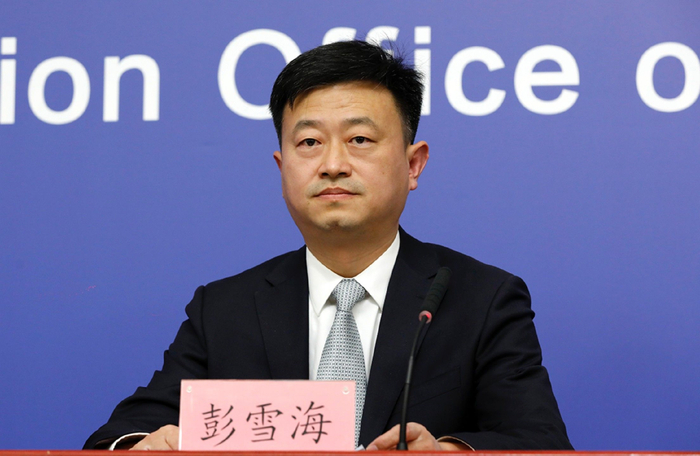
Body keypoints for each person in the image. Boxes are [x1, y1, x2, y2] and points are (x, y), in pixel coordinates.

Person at [84, 40, 572, 451]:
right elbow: (118, 435)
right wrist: (143, 445)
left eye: (359, 139)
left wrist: (450, 451)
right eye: (310, 143)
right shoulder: (225, 309)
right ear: (282, 169)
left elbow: (541, 442)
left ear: (413, 164)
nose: (332, 164)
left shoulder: (482, 300)